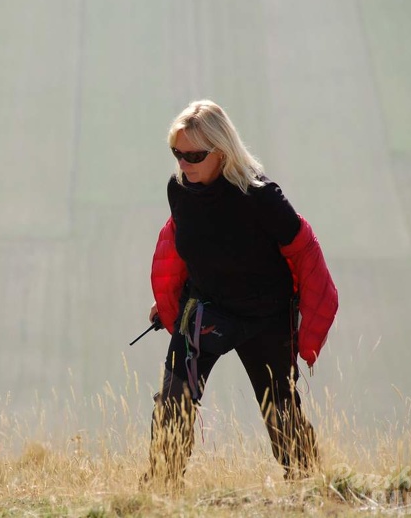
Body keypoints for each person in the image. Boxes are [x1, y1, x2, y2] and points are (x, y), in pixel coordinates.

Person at [144, 100, 338, 485]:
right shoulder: (179, 190)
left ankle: (308, 491)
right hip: (204, 311)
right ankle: (159, 493)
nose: (184, 163)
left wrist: (310, 328)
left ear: (222, 151)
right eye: (177, 154)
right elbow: (186, 244)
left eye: (194, 155)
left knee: (281, 412)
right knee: (172, 404)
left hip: (264, 319)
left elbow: (304, 254)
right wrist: (165, 300)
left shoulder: (261, 197)